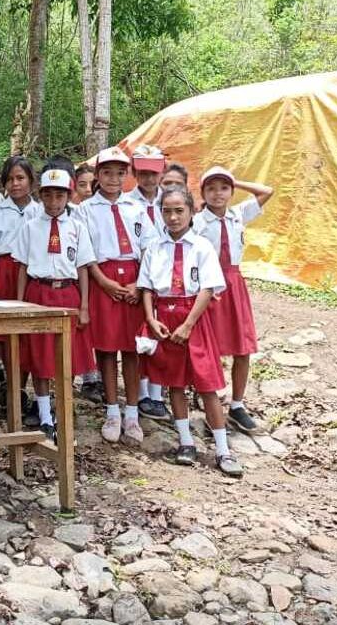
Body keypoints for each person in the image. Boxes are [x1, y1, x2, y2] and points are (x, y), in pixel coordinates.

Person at [138, 186, 243, 478]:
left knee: (207, 383)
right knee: (174, 382)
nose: (172, 217)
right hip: (164, 318)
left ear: (191, 212)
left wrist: (188, 324)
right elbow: (146, 287)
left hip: (193, 319)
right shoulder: (155, 248)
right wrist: (150, 317)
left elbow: (208, 287)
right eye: (167, 211)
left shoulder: (201, 247)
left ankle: (223, 449)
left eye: (178, 211)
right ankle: (185, 441)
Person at [76, 147, 155, 446]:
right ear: (97, 175)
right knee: (107, 350)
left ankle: (132, 413)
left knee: (132, 349)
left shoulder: (136, 208)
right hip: (104, 280)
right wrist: (103, 281)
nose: (113, 178)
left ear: (127, 175)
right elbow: (85, 253)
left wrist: (140, 283)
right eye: (107, 172)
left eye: (119, 173)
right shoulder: (85, 210)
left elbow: (149, 247)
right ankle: (112, 411)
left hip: (134, 278)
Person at [13, 168, 96, 443]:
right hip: (39, 292)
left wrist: (84, 306)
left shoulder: (77, 227)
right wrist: (21, 303)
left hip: (67, 293)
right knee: (40, 356)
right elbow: (23, 267)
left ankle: (63, 415)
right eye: (47, 195)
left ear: (68, 196)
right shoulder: (29, 227)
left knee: (66, 357)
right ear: (40, 196)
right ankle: (45, 417)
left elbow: (83, 267)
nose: (53, 201)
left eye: (59, 195)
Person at [193, 166, 275, 435]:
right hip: (210, 285)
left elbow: (267, 191)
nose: (218, 194)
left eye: (224, 188)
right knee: (211, 347)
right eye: (212, 188)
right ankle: (211, 402)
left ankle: (238, 405)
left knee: (243, 347)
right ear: (203, 193)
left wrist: (235, 181)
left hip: (234, 284)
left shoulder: (237, 214)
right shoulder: (197, 222)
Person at [0, 156, 40, 416]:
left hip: (32, 273)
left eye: (21, 178)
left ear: (31, 181)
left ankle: (23, 387)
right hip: (3, 272)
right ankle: (11, 387)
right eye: (10, 179)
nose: (15, 184)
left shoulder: (40, 211)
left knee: (28, 333)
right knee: (5, 334)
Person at [123, 144, 170, 421]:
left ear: (162, 171)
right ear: (134, 172)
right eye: (142, 173)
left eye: (154, 173)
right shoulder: (128, 203)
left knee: (162, 331)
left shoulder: (171, 200)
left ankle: (158, 392)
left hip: (166, 277)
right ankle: (140, 393)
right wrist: (140, 283)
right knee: (139, 334)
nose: (149, 179)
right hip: (139, 277)